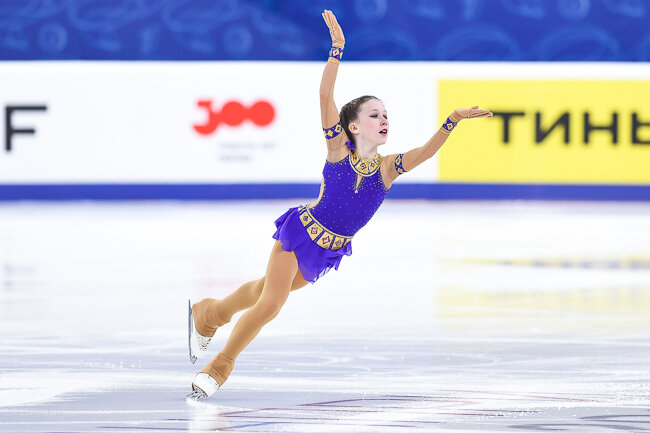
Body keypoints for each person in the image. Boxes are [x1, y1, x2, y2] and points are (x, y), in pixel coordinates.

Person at [186, 9, 492, 400]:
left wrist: (452, 120)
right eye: (374, 115)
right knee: (271, 304)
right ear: (354, 126)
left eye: (386, 115)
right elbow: (324, 96)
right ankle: (220, 367)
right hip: (301, 234)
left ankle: (209, 314)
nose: (384, 120)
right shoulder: (337, 150)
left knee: (263, 290)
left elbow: (425, 152)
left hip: (327, 251)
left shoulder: (388, 168)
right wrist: (336, 50)